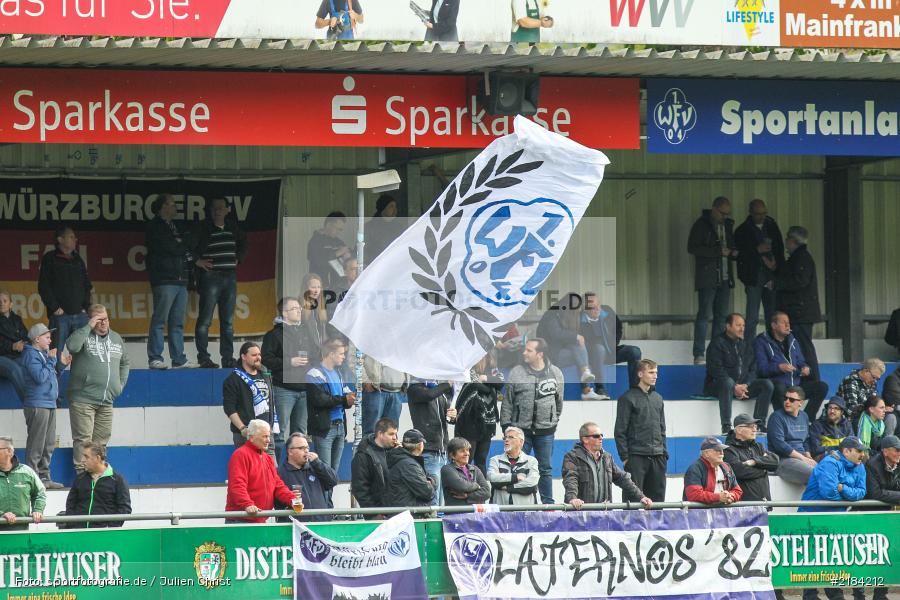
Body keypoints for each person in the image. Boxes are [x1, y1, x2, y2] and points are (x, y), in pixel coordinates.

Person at [500, 337, 565, 504]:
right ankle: (520, 503)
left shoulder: (556, 373)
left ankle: (548, 504)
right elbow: (508, 401)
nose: (524, 353)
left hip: (546, 432)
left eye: (529, 350)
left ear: (540, 354)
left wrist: (552, 421)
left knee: (545, 469)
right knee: (518, 467)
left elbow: (559, 402)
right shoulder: (516, 372)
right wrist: (507, 427)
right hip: (520, 432)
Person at [67, 304, 130, 472]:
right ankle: (82, 478)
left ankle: (97, 475)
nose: (103, 323)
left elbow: (125, 362)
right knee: (83, 440)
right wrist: (88, 326)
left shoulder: (116, 338)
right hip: (83, 399)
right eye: (98, 320)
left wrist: (120, 385)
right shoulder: (83, 334)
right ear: (91, 320)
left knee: (101, 443)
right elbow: (71, 347)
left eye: (106, 319)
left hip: (107, 400)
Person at [194, 197, 248, 369]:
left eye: (221, 208)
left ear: (227, 210)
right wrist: (197, 261)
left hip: (229, 276)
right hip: (211, 277)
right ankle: (204, 358)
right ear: (210, 211)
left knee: (228, 322)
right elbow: (187, 246)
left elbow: (245, 243)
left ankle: (227, 358)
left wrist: (239, 259)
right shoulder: (203, 227)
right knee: (205, 320)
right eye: (214, 208)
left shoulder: (232, 227)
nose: (218, 211)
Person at [145, 193, 196, 370]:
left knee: (177, 322)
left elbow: (186, 246)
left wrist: (182, 243)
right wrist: (183, 243)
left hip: (181, 278)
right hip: (164, 278)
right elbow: (171, 248)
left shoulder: (176, 226)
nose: (175, 208)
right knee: (160, 320)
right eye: (172, 204)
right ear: (163, 207)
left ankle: (178, 359)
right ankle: (155, 358)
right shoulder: (155, 226)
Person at [765, 225, 822, 382]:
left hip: (800, 313)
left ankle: (813, 380)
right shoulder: (798, 258)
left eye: (787, 239)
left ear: (792, 240)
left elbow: (799, 281)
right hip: (798, 312)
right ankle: (805, 379)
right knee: (799, 348)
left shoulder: (802, 258)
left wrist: (777, 284)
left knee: (804, 347)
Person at [705, 313, 774, 434]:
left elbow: (753, 369)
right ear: (728, 326)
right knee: (728, 382)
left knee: (767, 384)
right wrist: (734, 386)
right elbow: (715, 369)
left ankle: (759, 424)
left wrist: (746, 385)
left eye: (743, 325)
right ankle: (726, 426)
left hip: (742, 387)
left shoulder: (746, 344)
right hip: (719, 386)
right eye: (738, 325)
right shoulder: (717, 343)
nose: (742, 328)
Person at [688, 196, 737, 366]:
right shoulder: (702, 224)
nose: (724, 216)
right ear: (714, 209)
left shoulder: (728, 225)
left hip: (724, 277)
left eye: (727, 214)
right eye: (722, 213)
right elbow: (692, 247)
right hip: (708, 277)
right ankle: (699, 354)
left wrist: (733, 252)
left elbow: (732, 246)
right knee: (704, 315)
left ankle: (717, 354)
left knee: (721, 317)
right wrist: (717, 252)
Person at [262, 297, 313, 458]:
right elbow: (267, 359)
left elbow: (316, 353)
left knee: (300, 434)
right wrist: (290, 361)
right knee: (279, 431)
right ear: (284, 313)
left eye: (299, 308)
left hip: (304, 389)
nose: (299, 310)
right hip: (283, 389)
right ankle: (275, 469)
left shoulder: (306, 332)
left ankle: (296, 467)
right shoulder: (273, 335)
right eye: (294, 309)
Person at [37, 226, 92, 373]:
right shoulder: (50, 258)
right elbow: (44, 286)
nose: (75, 239)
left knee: (83, 355)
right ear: (60, 240)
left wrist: (86, 307)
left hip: (80, 315)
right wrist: (55, 307)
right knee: (56, 354)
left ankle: (79, 392)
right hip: (60, 316)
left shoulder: (78, 259)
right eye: (71, 237)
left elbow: (87, 285)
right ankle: (54, 393)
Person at [20, 323, 69, 489]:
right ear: (36, 339)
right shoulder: (30, 355)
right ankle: (32, 479)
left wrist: (60, 366)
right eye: (47, 337)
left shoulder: (43, 355)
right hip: (37, 404)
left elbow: (49, 377)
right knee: (37, 444)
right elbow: (40, 377)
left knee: (48, 443)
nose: (50, 340)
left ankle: (45, 477)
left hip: (49, 403)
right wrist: (51, 361)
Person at [755, 311, 828, 420]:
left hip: (795, 385)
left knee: (822, 387)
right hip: (778, 386)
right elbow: (761, 369)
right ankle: (785, 421)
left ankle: (806, 419)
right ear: (774, 325)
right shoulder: (762, 341)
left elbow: (801, 361)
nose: (787, 325)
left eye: (788, 323)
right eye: (783, 323)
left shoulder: (793, 340)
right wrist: (779, 368)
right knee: (779, 387)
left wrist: (805, 368)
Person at [563, 422, 651, 509]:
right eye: (596, 436)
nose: (601, 438)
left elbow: (623, 478)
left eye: (601, 435)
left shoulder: (607, 457)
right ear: (585, 439)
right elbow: (570, 480)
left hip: (604, 515)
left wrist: (641, 497)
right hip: (581, 516)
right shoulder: (572, 457)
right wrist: (573, 499)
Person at [225, 420, 299, 523]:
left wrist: (292, 499)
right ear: (251, 437)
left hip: (260, 518)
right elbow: (237, 485)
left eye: (269, 436)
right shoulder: (240, 455)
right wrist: (247, 504)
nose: (269, 440)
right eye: (264, 436)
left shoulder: (267, 458)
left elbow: (277, 485)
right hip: (241, 519)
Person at [614, 359, 667, 502]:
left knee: (658, 500)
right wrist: (625, 458)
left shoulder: (658, 398)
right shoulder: (627, 398)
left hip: (658, 456)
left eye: (656, 372)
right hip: (636, 456)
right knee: (633, 499)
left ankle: (656, 525)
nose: (655, 376)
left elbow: (662, 428)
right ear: (640, 374)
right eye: (651, 372)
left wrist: (664, 453)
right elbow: (620, 430)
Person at [856, 435, 900, 600]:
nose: (899, 453)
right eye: (896, 450)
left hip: (885, 515)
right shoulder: (872, 465)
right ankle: (858, 595)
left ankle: (880, 594)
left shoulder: (898, 464)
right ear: (885, 451)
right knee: (861, 557)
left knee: (885, 555)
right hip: (865, 515)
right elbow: (876, 493)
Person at [734, 199, 784, 337]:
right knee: (752, 318)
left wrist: (776, 266)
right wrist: (757, 250)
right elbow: (739, 254)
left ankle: (772, 348)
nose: (761, 217)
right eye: (758, 214)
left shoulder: (772, 226)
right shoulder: (742, 230)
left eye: (764, 213)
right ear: (750, 213)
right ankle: (749, 349)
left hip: (771, 275)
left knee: (772, 316)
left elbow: (780, 249)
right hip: (753, 277)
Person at [306, 339, 356, 474]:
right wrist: (343, 399)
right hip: (324, 429)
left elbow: (341, 397)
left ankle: (330, 496)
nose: (344, 357)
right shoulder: (314, 373)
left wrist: (350, 399)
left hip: (340, 427)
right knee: (324, 471)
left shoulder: (338, 374)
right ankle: (323, 496)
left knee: (333, 473)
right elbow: (320, 400)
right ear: (331, 354)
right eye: (341, 354)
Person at [580, 294, 642, 398]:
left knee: (634, 351)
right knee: (599, 349)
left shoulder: (607, 311)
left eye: (598, 305)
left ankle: (635, 390)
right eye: (593, 307)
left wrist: (613, 345)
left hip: (611, 352)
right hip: (592, 356)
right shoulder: (579, 320)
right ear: (585, 309)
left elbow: (619, 328)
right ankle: (600, 388)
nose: (598, 309)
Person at [536, 293, 596, 395]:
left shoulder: (567, 316)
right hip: (548, 355)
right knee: (580, 355)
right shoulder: (552, 314)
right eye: (576, 309)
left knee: (579, 354)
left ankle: (585, 374)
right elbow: (555, 333)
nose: (578, 312)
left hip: (560, 352)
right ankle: (586, 389)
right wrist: (575, 337)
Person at [408, 378, 454, 506]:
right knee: (432, 494)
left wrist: (453, 416)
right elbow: (429, 395)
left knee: (443, 497)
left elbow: (448, 418)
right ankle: (432, 520)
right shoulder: (415, 388)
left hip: (443, 450)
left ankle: (440, 521)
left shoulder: (440, 391)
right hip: (428, 450)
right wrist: (447, 384)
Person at [453, 354, 502, 475]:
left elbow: (501, 382)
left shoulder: (492, 370)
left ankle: (481, 490)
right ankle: (463, 486)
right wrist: (490, 387)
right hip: (469, 423)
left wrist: (486, 378)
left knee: (481, 460)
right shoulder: (468, 369)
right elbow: (473, 384)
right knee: (466, 459)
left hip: (487, 423)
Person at [223, 342, 275, 456]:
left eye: (259, 354)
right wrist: (243, 429)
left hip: (266, 433)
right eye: (254, 355)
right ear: (243, 357)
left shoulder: (265, 374)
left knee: (271, 471)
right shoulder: (233, 379)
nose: (258, 358)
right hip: (247, 434)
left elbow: (271, 403)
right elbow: (229, 408)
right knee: (250, 471)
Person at [64, 442, 131, 528]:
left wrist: (110, 528)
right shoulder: (80, 478)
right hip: (79, 534)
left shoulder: (118, 480)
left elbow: (124, 508)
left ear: (98, 458)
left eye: (86, 456)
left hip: (105, 536)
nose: (82, 460)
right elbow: (70, 504)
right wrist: (73, 526)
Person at [276, 433, 337, 522]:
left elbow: (333, 481)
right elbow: (276, 502)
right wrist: (288, 497)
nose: (306, 451)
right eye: (301, 448)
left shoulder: (315, 467)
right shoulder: (280, 472)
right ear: (290, 451)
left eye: (307, 448)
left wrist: (318, 463)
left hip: (320, 525)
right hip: (295, 528)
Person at [799, 436, 866, 513]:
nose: (863, 455)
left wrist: (843, 488)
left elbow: (862, 492)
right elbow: (830, 494)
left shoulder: (860, 466)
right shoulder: (829, 463)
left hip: (837, 515)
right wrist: (851, 497)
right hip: (812, 514)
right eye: (859, 451)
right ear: (846, 451)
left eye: (863, 451)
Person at [767, 386, 817, 485]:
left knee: (828, 472)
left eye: (792, 399)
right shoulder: (776, 417)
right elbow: (780, 445)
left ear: (801, 403)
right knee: (816, 474)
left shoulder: (804, 416)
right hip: (783, 460)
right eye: (785, 398)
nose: (787, 402)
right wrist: (803, 458)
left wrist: (808, 457)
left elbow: (806, 440)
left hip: (801, 458)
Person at [724, 414, 779, 501]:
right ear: (738, 430)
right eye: (750, 426)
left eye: (755, 426)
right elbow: (739, 471)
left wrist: (754, 462)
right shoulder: (728, 450)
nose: (755, 430)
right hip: (744, 506)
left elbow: (775, 462)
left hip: (764, 503)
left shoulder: (758, 446)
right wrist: (764, 468)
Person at [351, 417, 398, 518]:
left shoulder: (395, 451)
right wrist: (373, 513)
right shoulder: (363, 455)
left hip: (396, 512)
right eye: (391, 434)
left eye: (395, 434)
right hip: (378, 515)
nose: (395, 437)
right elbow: (359, 488)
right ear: (380, 434)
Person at [0, 436, 46, 531]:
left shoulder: (26, 472)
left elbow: (40, 493)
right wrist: (1, 514)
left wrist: (37, 510)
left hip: (21, 530)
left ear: (9, 451)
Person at [384, 429, 436, 512]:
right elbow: (427, 492)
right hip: (409, 517)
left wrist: (429, 481)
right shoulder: (409, 465)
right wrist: (431, 482)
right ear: (420, 445)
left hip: (403, 514)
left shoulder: (404, 460)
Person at [486, 426, 540, 505]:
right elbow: (493, 478)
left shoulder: (531, 461)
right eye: (505, 437)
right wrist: (515, 477)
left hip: (525, 513)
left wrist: (508, 488)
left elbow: (532, 484)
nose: (506, 440)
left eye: (511, 437)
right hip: (500, 513)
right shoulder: (495, 460)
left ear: (521, 442)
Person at [683, 436, 744, 505]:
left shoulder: (726, 467)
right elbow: (694, 495)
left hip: (723, 513)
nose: (722, 453)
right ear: (706, 453)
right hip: (700, 513)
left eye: (722, 449)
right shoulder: (695, 468)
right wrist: (718, 497)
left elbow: (738, 491)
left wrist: (730, 496)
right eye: (717, 450)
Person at [361, 354, 409, 437]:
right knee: (371, 433)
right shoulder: (368, 340)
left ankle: (389, 451)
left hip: (396, 392)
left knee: (391, 433)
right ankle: (368, 450)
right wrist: (365, 380)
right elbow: (353, 357)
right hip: (375, 391)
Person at [308, 212, 351, 292]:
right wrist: (337, 253)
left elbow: (349, 256)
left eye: (340, 230)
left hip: (337, 287)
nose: (339, 232)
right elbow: (318, 260)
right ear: (328, 225)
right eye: (337, 229)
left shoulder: (338, 242)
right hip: (319, 286)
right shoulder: (315, 241)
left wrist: (348, 256)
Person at [441, 437, 491, 506]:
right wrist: (477, 485)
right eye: (462, 451)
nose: (467, 453)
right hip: (456, 515)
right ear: (452, 455)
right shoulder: (447, 469)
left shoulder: (475, 469)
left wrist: (468, 495)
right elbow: (461, 486)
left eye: (467, 450)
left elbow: (487, 492)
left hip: (476, 515)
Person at [836, 358, 885, 425]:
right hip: (850, 421)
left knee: (890, 417)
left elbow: (874, 403)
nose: (875, 381)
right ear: (866, 371)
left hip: (867, 416)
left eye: (877, 379)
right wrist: (874, 410)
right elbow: (852, 409)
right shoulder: (850, 381)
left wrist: (882, 408)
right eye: (874, 377)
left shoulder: (872, 383)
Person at [0, 290, 29, 401]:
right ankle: (29, 403)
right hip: (2, 358)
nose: (1, 303)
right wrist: (12, 346)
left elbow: (26, 337)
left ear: (11, 304)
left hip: (16, 356)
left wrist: (24, 344)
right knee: (14, 369)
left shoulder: (17, 319)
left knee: (37, 363)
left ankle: (51, 400)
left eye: (5, 300)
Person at [809, 396, 854, 461]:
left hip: (843, 455)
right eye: (830, 408)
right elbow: (816, 449)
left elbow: (852, 444)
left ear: (842, 412)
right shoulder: (817, 425)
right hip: (823, 456)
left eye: (836, 408)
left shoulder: (847, 425)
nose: (832, 411)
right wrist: (838, 449)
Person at [365, 195, 405, 261]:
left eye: (395, 207)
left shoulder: (399, 227)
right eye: (391, 207)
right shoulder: (370, 227)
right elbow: (364, 250)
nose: (395, 210)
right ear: (383, 208)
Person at [300, 273, 331, 350]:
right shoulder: (298, 305)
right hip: (308, 350)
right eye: (313, 287)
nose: (317, 290)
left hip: (323, 349)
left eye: (319, 287)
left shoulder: (323, 304)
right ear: (306, 288)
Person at [882, 366, 899, 437]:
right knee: (891, 418)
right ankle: (889, 446)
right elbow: (896, 399)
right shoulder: (892, 379)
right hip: (893, 412)